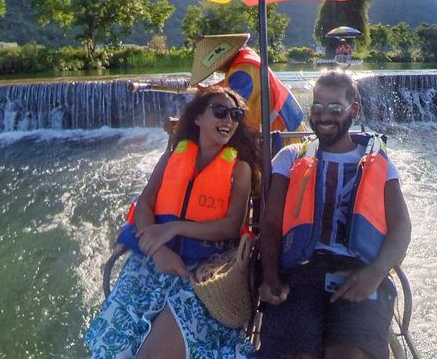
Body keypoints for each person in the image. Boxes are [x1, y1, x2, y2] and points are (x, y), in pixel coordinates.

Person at [84, 86, 261, 359]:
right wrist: (158, 251)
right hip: (153, 264)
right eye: (220, 111)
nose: (228, 120)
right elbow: (144, 203)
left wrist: (173, 228)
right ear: (198, 118)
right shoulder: (171, 158)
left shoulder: (240, 169)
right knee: (109, 349)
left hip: (201, 274)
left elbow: (230, 225)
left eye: (235, 115)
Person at [256, 71, 412, 359]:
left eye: (334, 108)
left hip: (359, 271)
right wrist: (269, 277)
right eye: (317, 108)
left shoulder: (379, 163)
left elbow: (402, 226)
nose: (323, 116)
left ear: (354, 110)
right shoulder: (290, 158)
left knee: (348, 354)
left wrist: (375, 273)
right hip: (300, 274)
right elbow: (272, 223)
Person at [190, 33, 306, 134]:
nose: (216, 69)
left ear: (223, 58)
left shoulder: (243, 72)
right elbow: (229, 84)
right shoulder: (244, 56)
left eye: (215, 66)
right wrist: (209, 89)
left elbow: (230, 102)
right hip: (287, 124)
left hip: (284, 132)